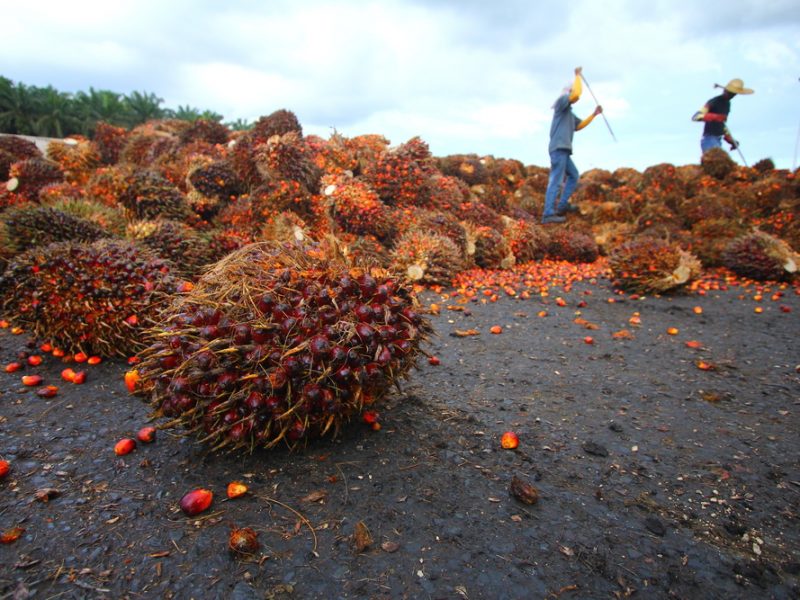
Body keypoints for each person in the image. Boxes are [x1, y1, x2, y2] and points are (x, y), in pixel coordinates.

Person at [541, 66, 603, 224]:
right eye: (571, 92)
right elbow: (576, 94)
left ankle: (562, 206)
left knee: (573, 175)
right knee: (556, 179)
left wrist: (594, 115)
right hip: (558, 149)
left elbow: (579, 125)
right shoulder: (561, 103)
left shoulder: (568, 113)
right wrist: (578, 77)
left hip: (564, 150)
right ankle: (548, 214)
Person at [692, 78, 754, 155]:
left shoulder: (727, 104)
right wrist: (715, 117)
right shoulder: (714, 102)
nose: (732, 95)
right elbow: (696, 116)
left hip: (718, 139)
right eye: (730, 93)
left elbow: (723, 124)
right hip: (709, 139)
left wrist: (730, 140)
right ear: (725, 90)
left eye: (734, 94)